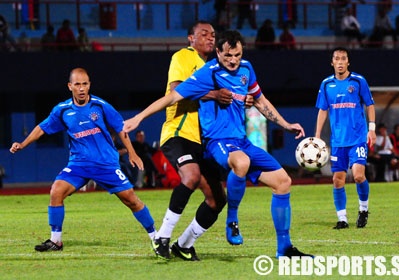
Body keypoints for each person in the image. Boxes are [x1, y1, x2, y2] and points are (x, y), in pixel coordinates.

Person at [124, 30, 313, 258]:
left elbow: (260, 100)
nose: (233, 61)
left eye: (237, 55)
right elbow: (172, 97)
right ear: (218, 53)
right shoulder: (208, 73)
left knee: (283, 182)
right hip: (217, 142)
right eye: (228, 56)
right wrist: (139, 117)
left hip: (241, 141)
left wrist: (285, 123)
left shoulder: (246, 68)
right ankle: (232, 220)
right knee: (240, 163)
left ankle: (284, 248)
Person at [9, 68, 156, 252]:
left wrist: (132, 152)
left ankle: (156, 237)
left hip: (105, 164)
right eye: (77, 84)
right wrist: (23, 144)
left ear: (89, 85)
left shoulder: (100, 105)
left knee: (131, 200)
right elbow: (42, 128)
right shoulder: (62, 110)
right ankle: (56, 241)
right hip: (79, 164)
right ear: (70, 86)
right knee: (56, 191)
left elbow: (120, 127)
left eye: (85, 84)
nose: (81, 88)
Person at [128, 21, 233, 261]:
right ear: (190, 38)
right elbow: (175, 89)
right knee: (191, 176)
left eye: (213, 35)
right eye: (203, 34)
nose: (210, 38)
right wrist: (214, 94)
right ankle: (162, 237)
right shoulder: (184, 56)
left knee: (217, 200)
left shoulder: (214, 67)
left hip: (202, 141)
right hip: (178, 132)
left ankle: (184, 244)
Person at [315, 47, 376, 230]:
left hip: (357, 138)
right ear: (332, 62)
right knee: (337, 180)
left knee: (358, 176)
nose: (340, 62)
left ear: (348, 62)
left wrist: (371, 129)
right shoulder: (326, 84)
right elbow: (322, 110)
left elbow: (370, 105)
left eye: (343, 59)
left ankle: (363, 209)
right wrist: (317, 136)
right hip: (338, 141)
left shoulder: (358, 81)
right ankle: (342, 219)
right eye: (337, 59)